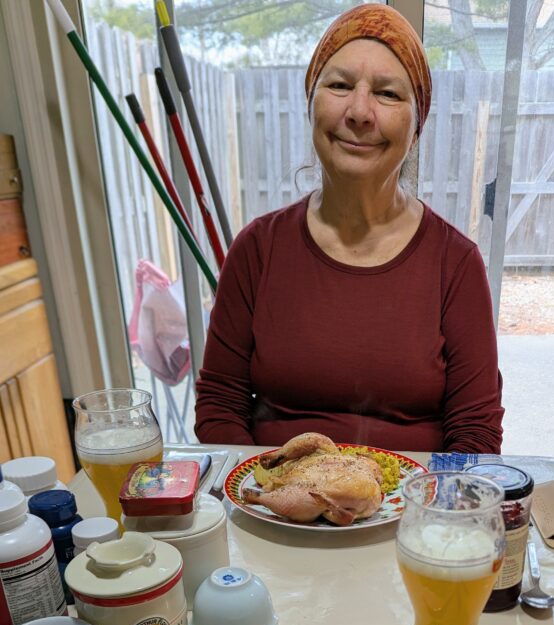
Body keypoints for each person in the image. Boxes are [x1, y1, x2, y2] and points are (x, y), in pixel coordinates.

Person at [195, 4, 503, 454]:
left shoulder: (455, 263)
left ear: (416, 128)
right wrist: (267, 494)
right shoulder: (257, 250)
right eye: (339, 85)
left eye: (388, 94)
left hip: (413, 514)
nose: (359, 111)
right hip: (275, 511)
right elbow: (220, 407)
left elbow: (476, 433)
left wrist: (421, 514)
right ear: (311, 104)